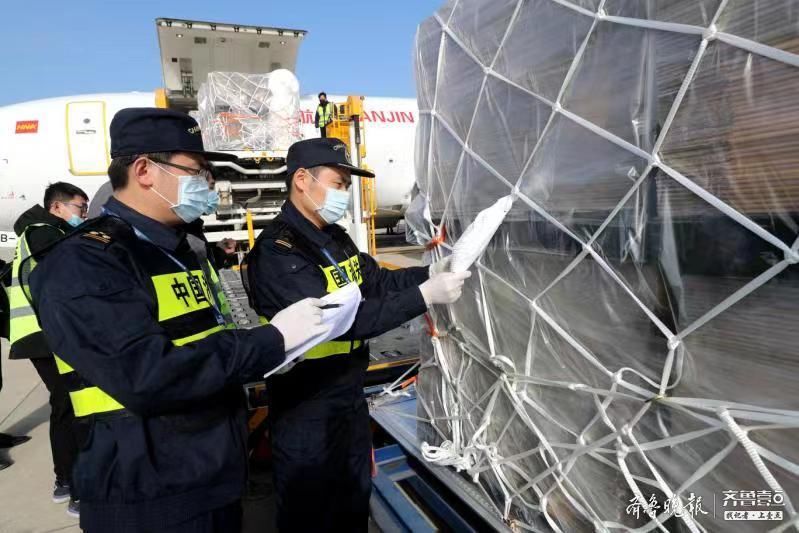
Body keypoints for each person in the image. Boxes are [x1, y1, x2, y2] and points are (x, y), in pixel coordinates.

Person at [25, 108, 331, 533]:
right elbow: (148, 373)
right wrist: (271, 341)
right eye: (197, 171)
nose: (208, 185)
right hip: (147, 494)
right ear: (145, 170)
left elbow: (202, 339)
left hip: (207, 473)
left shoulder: (175, 249)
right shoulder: (86, 263)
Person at [245, 137, 470, 531]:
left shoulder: (334, 239)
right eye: (339, 182)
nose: (345, 193)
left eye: (348, 185)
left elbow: (376, 282)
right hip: (306, 406)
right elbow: (342, 320)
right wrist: (422, 296)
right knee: (312, 514)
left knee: (352, 502)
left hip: (347, 397)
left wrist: (427, 273)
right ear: (302, 179)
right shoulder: (278, 251)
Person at [6, 182, 91, 516]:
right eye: (79, 208)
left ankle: (66, 481)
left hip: (43, 335)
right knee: (69, 405)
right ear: (57, 207)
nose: (83, 214)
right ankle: (73, 485)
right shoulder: (44, 234)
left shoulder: (43, 231)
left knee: (64, 403)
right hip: (46, 336)